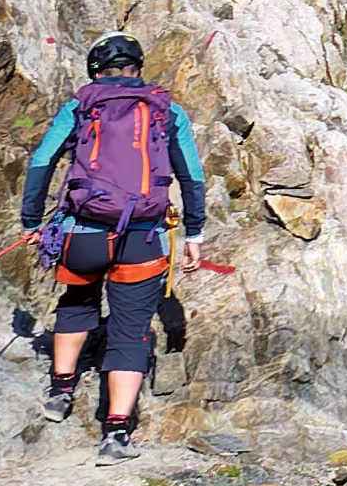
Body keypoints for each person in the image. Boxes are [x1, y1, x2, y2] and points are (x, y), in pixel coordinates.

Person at [15, 31, 206, 461]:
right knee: (130, 328)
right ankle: (115, 435)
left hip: (83, 229)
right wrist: (194, 233)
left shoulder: (80, 107)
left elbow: (42, 161)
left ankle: (60, 392)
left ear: (95, 71)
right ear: (138, 68)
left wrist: (31, 221)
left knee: (78, 298)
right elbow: (191, 176)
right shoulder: (167, 111)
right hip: (143, 235)